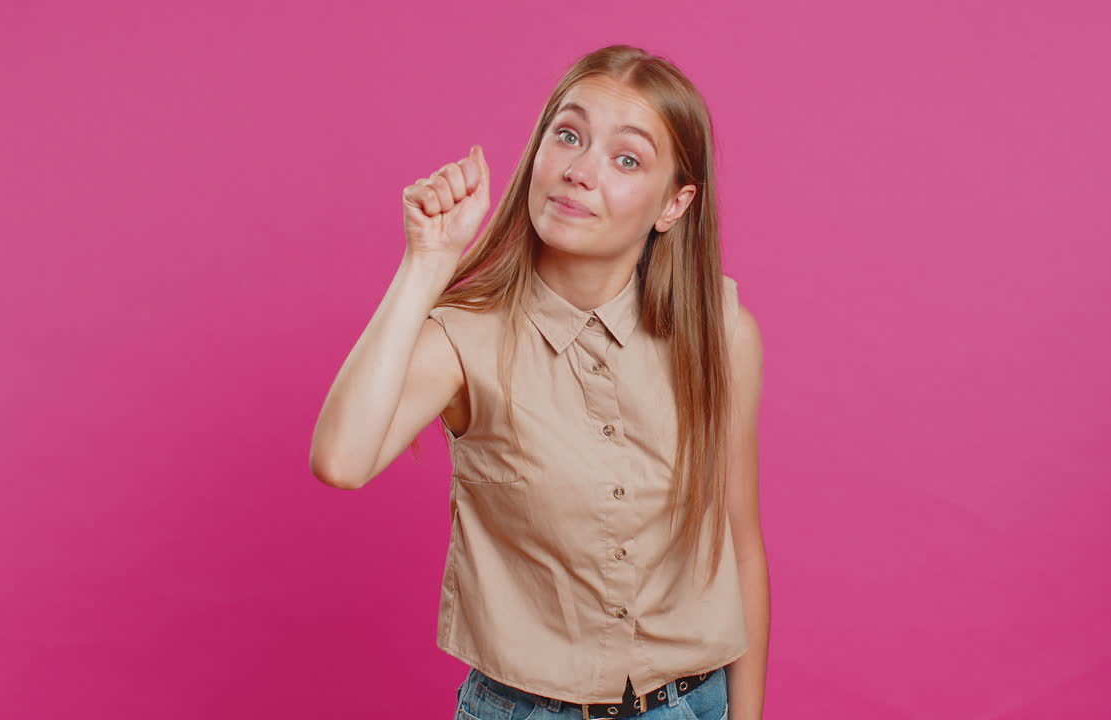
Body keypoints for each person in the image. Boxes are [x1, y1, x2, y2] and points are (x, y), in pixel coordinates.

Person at [310, 45, 768, 720]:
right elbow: (340, 461)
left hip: (694, 703)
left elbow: (741, 545)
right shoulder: (467, 339)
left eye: (626, 159)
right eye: (569, 135)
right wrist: (427, 262)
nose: (579, 171)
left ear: (674, 205)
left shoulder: (721, 336)